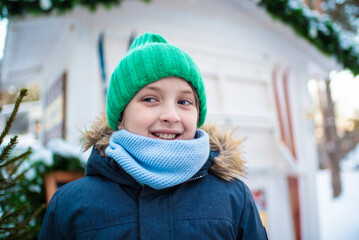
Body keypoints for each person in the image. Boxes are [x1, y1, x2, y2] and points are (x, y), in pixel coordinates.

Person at [39, 32, 268, 239]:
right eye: (150, 99)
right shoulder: (70, 205)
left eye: (184, 101)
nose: (171, 115)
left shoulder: (233, 198)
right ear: (120, 117)